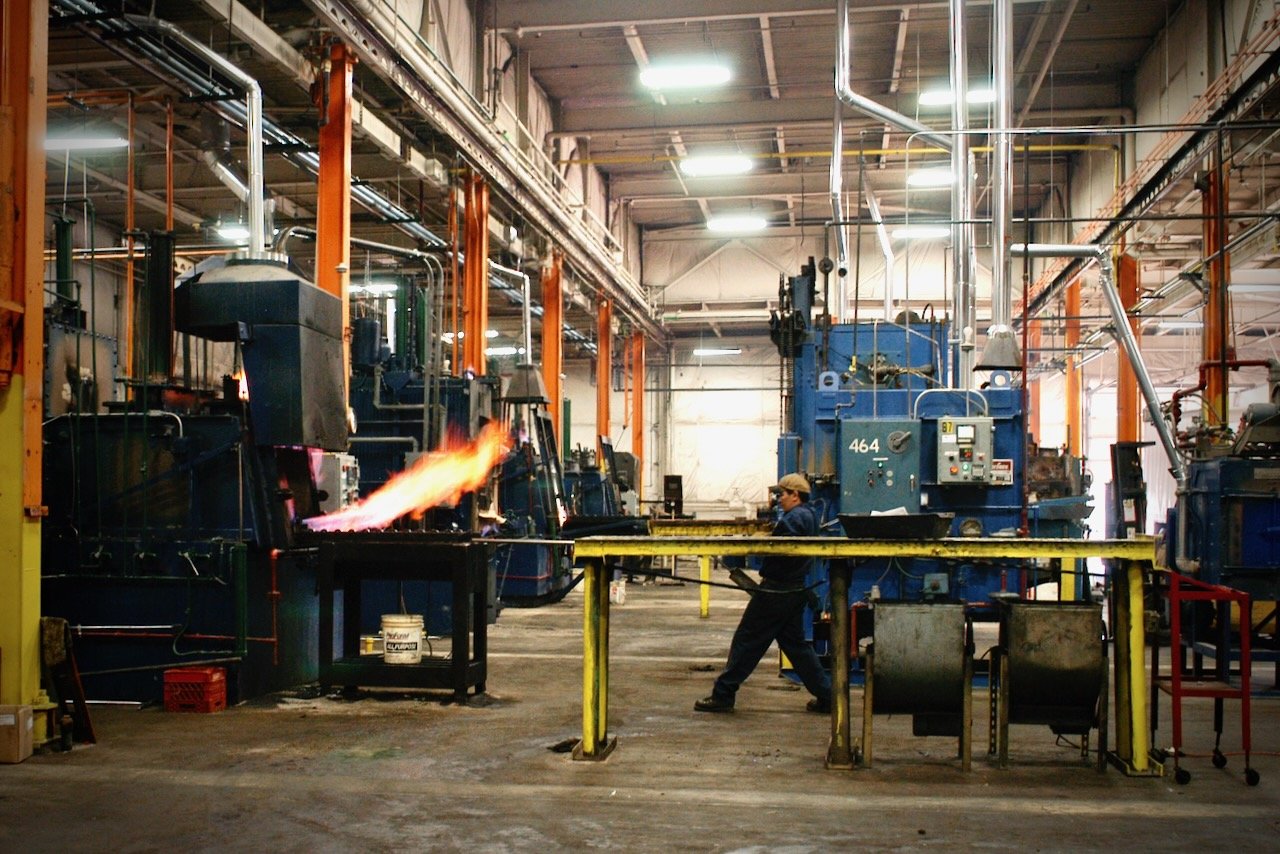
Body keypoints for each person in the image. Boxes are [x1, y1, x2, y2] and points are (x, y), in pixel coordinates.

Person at [694, 473, 833, 714]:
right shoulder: (810, 515)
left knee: (747, 641)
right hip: (793, 590)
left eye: (783, 495)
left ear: (795, 495)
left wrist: (750, 550)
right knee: (797, 648)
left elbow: (779, 550)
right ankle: (828, 696)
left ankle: (723, 694)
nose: (779, 499)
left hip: (775, 592)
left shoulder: (795, 518)